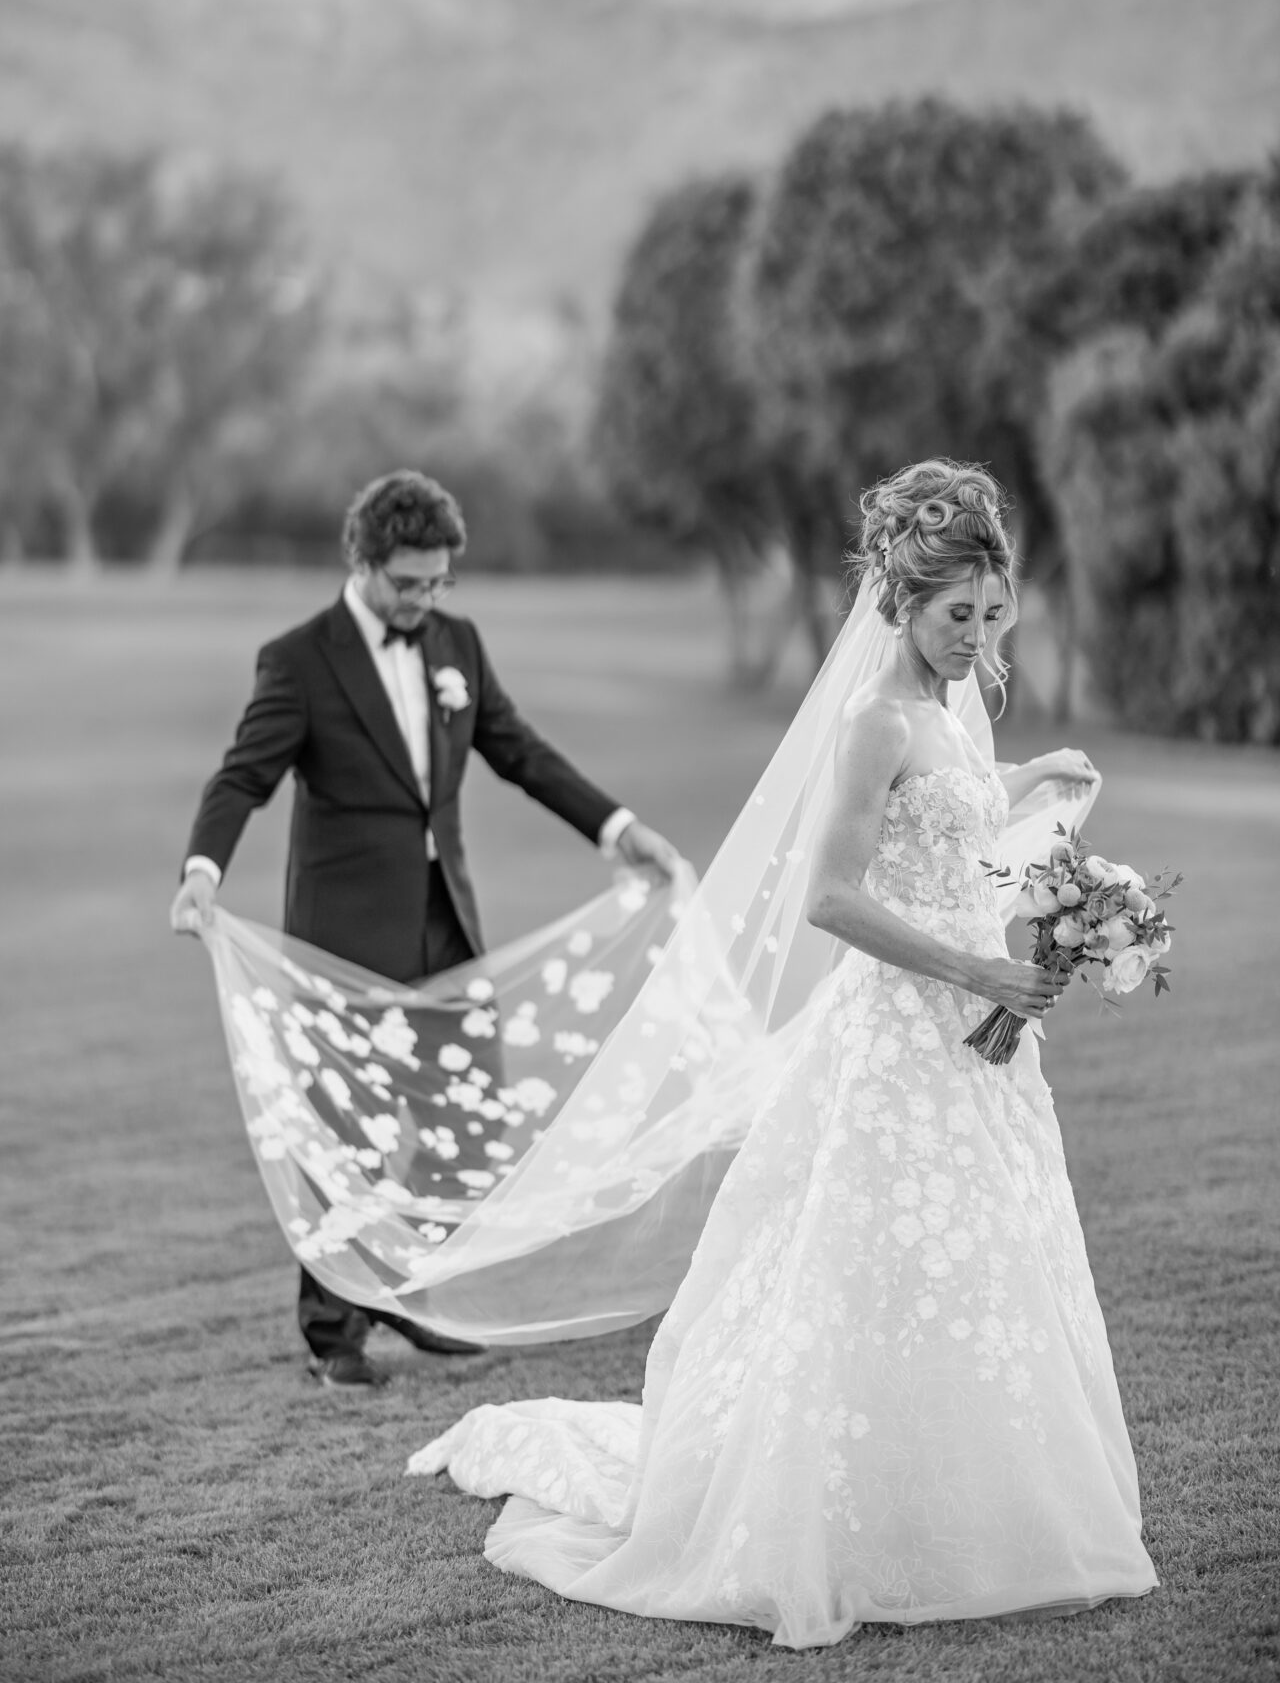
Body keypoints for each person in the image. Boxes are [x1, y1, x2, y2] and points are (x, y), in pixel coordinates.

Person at [412, 459, 1159, 1645]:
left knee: (984, 1263)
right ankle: (840, 1519)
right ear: (897, 605)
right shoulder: (869, 720)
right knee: (867, 1268)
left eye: (989, 614)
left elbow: (949, 813)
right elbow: (830, 898)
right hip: (902, 1044)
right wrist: (976, 970)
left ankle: (969, 1505)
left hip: (983, 1051)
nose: (974, 637)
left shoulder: (944, 713)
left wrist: (1025, 780)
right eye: (952, 616)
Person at [170, 470, 680, 1387]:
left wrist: (618, 826)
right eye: (409, 583)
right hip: (344, 935)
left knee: (462, 1115)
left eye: (438, 582)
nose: (425, 599)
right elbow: (241, 778)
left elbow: (519, 751)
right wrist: (202, 874)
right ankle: (335, 1333)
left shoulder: (458, 644)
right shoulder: (298, 661)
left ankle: (425, 1292)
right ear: (361, 564)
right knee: (347, 1129)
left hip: (447, 922)